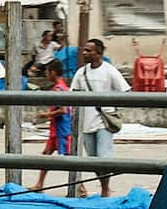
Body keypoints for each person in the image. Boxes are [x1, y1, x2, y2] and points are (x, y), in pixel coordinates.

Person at [70, 38, 129, 198]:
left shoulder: (110, 71)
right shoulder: (81, 73)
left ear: (99, 53)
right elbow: (73, 94)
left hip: (103, 122)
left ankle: (105, 189)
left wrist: (112, 106)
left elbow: (125, 91)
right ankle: (104, 186)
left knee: (104, 157)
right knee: (93, 158)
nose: (84, 53)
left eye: (89, 50)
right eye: (84, 50)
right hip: (85, 122)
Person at [31, 59, 72, 192]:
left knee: (70, 159)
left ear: (53, 72)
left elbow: (62, 110)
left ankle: (80, 187)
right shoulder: (62, 87)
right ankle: (39, 184)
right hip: (57, 130)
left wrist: (46, 115)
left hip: (61, 130)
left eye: (48, 72)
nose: (47, 75)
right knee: (46, 155)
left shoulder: (58, 89)